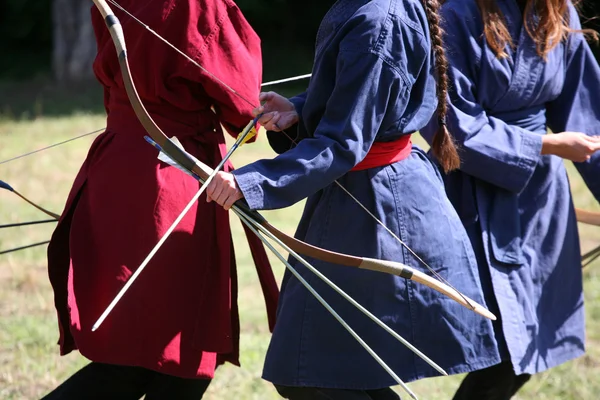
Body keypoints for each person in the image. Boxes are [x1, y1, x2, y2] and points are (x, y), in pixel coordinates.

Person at [206, 0, 501, 398]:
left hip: (380, 208)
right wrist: (299, 108)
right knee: (328, 372)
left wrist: (253, 181)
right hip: (355, 198)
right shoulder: (366, 9)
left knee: (315, 373)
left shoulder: (379, 19)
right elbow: (357, 97)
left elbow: (346, 140)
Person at [42, 1, 278, 399]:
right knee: (173, 354)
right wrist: (251, 116)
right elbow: (240, 101)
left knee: (148, 351)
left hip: (117, 168)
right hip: (169, 181)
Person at [420, 1, 600, 399]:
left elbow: (589, 118)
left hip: (540, 204)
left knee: (532, 340)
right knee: (500, 340)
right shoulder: (456, 15)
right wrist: (543, 144)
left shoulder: (557, 13)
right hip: (469, 194)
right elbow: (450, 126)